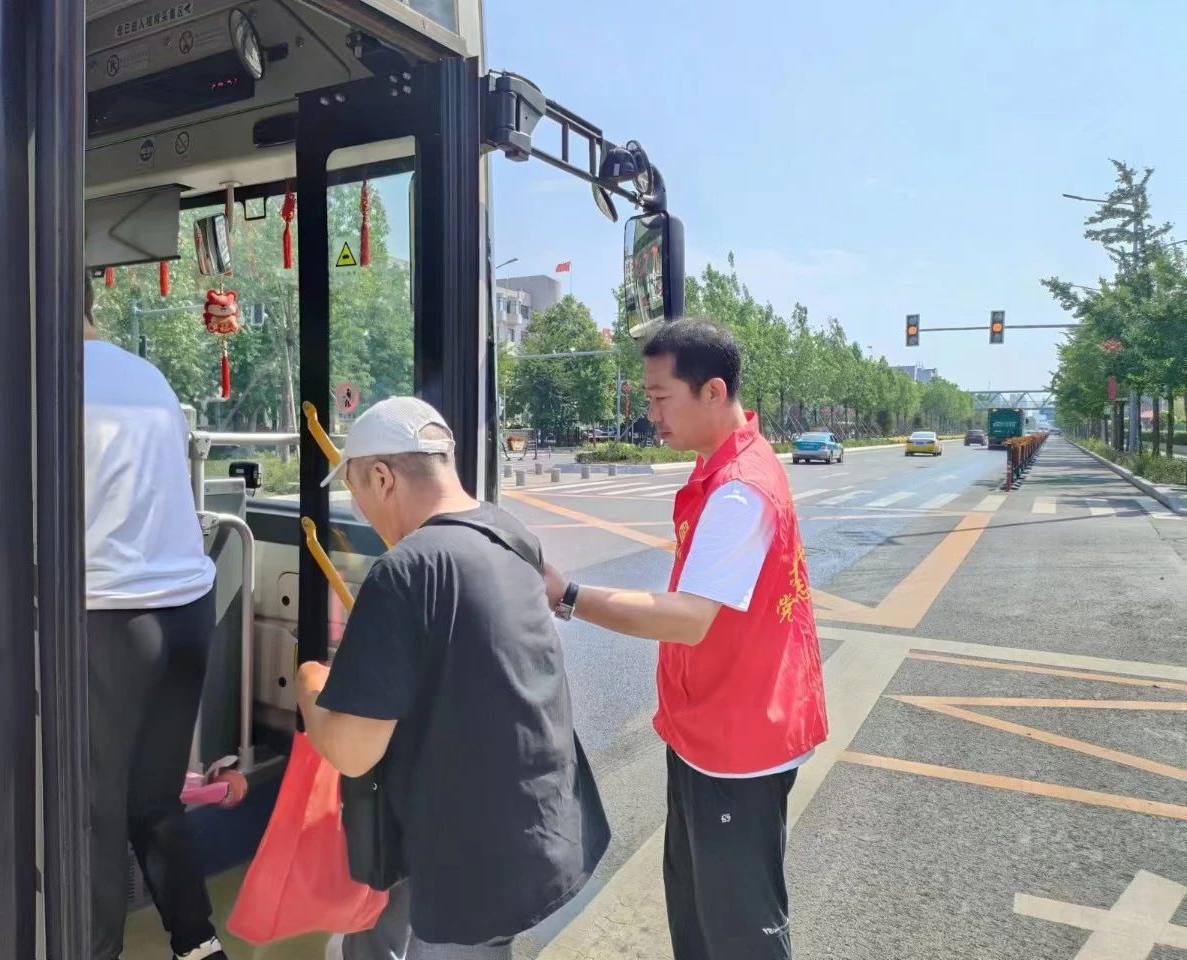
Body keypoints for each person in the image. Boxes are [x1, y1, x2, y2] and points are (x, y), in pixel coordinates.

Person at [542, 319, 828, 960]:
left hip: (738, 741)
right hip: (710, 728)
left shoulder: (739, 491)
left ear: (712, 391)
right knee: (698, 915)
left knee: (738, 930)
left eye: (659, 397)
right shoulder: (725, 469)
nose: (651, 414)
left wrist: (569, 595)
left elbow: (687, 618)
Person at [296, 396, 608, 960]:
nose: (360, 510)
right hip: (537, 829)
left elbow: (352, 752)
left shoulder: (404, 571)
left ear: (383, 478)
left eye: (356, 490)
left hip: (466, 864)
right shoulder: (508, 533)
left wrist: (310, 683)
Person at [82, 278, 226, 960]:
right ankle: (197, 944)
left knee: (94, 814)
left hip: (112, 616)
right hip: (189, 611)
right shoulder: (147, 377)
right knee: (154, 801)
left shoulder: (44, 380)